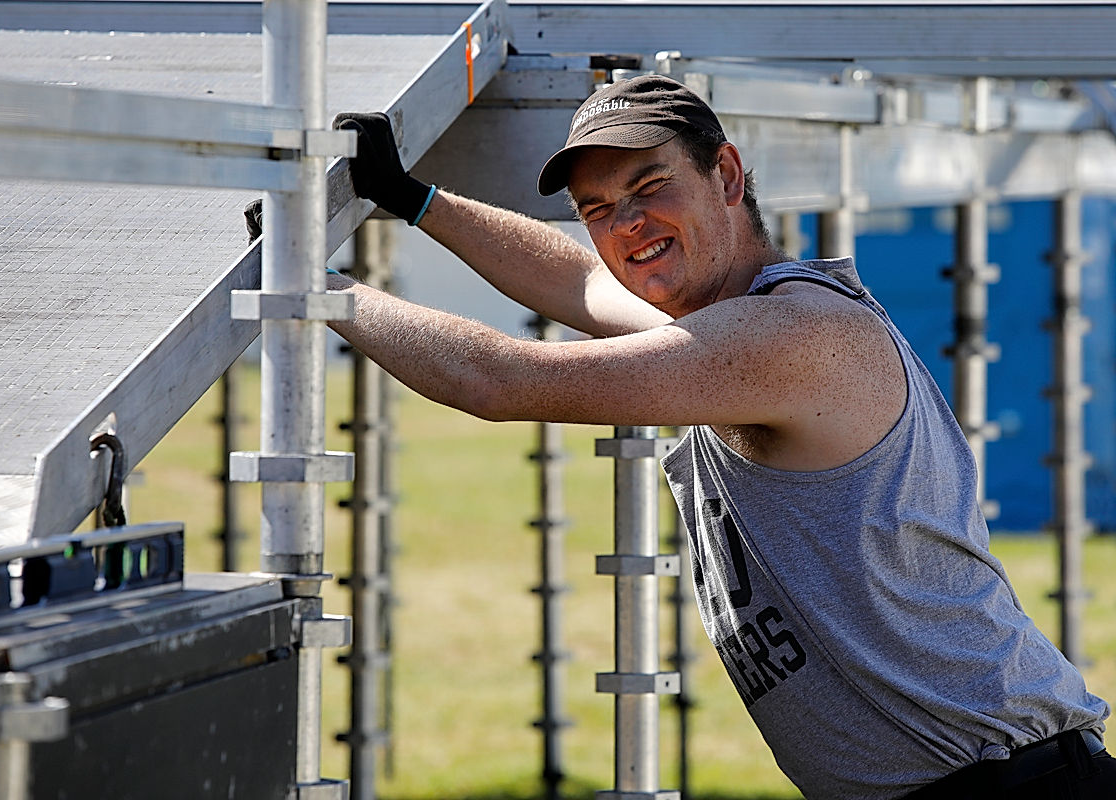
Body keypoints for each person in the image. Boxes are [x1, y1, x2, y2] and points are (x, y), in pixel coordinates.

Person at [321, 74, 1113, 799]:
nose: (626, 225)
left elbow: (499, 380)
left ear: (727, 177)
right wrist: (413, 198)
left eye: (649, 186)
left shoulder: (793, 336)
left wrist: (313, 285)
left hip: (1016, 787)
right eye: (597, 209)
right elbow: (580, 282)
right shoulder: (721, 327)